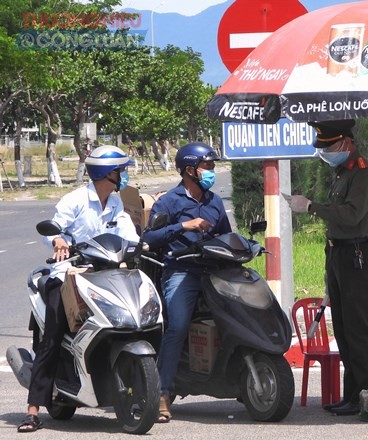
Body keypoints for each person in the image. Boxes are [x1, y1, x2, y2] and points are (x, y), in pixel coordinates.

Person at [18, 146, 138, 433]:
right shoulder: (75, 200)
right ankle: (33, 409)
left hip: (102, 274)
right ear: (105, 173)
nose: (124, 175)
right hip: (67, 274)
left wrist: (140, 243)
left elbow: (127, 233)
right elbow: (55, 227)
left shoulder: (116, 203)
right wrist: (58, 240)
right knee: (53, 335)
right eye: (120, 170)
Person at [286, 119, 368, 416]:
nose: (325, 153)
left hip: (357, 255)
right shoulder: (343, 172)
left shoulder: (364, 173)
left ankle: (366, 395)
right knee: (342, 327)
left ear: (346, 143)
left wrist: (312, 207)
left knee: (359, 329)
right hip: (339, 254)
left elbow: (352, 215)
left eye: (328, 147)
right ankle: (351, 394)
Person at [142, 142, 232, 423]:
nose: (211, 172)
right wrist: (184, 225)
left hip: (214, 271)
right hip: (181, 271)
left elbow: (226, 236)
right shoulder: (169, 201)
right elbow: (149, 238)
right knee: (178, 327)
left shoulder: (213, 201)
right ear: (190, 170)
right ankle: (162, 394)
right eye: (207, 167)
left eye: (212, 167)